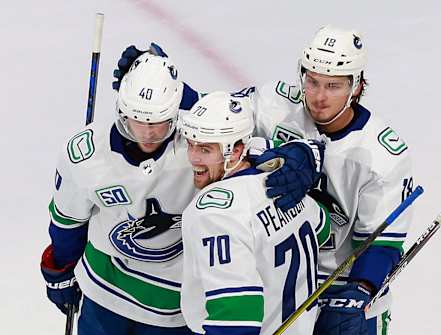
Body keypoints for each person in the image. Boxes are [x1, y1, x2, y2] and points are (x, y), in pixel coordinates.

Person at [113, 24, 414, 335]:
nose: (319, 97)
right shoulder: (274, 103)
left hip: (342, 292)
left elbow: (383, 242)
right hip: (277, 283)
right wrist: (156, 85)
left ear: (357, 86)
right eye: (312, 81)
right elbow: (218, 121)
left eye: (333, 86)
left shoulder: (382, 156)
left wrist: (361, 290)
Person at [41, 53, 323, 333]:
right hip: (104, 292)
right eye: (138, 121)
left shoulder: (198, 142)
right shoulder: (85, 154)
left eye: (159, 122)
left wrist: (303, 155)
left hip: (173, 310)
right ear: (122, 110)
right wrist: (59, 269)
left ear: (177, 111)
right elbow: (69, 222)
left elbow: (248, 147)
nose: (148, 133)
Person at [179, 91, 330, 334]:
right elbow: (323, 229)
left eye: (206, 150)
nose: (193, 158)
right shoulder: (284, 183)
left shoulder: (214, 213)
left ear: (237, 151)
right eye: (191, 144)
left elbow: (236, 316)